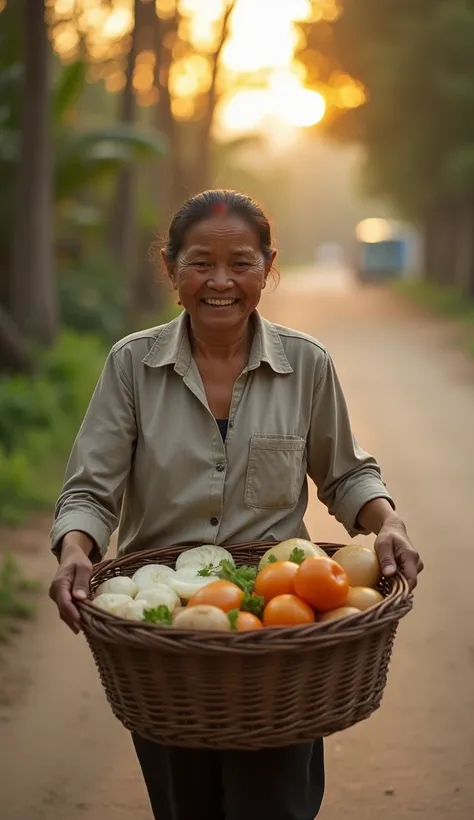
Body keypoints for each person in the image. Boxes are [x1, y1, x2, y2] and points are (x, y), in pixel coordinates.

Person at [49, 189, 423, 820]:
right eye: (200, 262)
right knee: (183, 800)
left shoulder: (306, 364)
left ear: (268, 268)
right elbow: (91, 489)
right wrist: (74, 551)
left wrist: (389, 524)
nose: (220, 281)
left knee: (275, 802)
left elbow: (346, 473)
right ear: (170, 269)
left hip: (281, 622)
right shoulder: (131, 366)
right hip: (163, 630)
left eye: (241, 263)